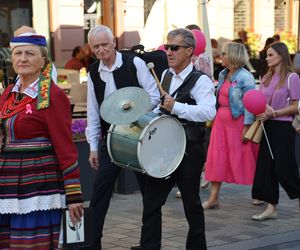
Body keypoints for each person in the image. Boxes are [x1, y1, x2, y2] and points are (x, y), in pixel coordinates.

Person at [0, 31, 83, 248]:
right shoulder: (9, 92)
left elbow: (66, 147)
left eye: (30, 53)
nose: (23, 58)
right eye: (18, 53)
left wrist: (74, 195)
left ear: (43, 60)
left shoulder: (52, 95)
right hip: (7, 185)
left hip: (37, 186)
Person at [138, 28, 216, 250]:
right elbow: (161, 105)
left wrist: (177, 107)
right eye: (166, 47)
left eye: (174, 48)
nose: (168, 52)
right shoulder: (166, 74)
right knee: (152, 202)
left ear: (189, 51)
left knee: (191, 203)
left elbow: (209, 112)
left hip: (190, 149)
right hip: (165, 148)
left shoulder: (201, 81)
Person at [85, 24, 160, 249]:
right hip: (111, 139)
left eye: (105, 44)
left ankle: (149, 245)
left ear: (114, 43)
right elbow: (92, 111)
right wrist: (92, 147)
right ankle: (91, 243)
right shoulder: (93, 72)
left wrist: (135, 113)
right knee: (99, 193)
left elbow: (154, 97)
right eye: (96, 46)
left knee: (149, 194)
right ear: (91, 48)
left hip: (139, 136)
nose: (101, 50)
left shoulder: (133, 63)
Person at [202, 42, 259, 210]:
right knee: (217, 157)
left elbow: (250, 104)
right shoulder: (222, 74)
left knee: (246, 157)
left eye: (224, 53)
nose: (221, 56)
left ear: (233, 55)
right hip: (221, 121)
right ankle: (213, 198)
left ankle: (259, 193)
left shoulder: (245, 77)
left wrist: (247, 126)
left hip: (238, 121)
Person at [252, 42, 300, 220]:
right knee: (267, 167)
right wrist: (263, 109)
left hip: (283, 126)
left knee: (284, 169)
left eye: (270, 55)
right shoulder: (265, 77)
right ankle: (271, 208)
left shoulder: (292, 77)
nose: (267, 58)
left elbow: (295, 107)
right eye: (267, 55)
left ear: (281, 55)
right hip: (267, 126)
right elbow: (259, 101)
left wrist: (274, 113)